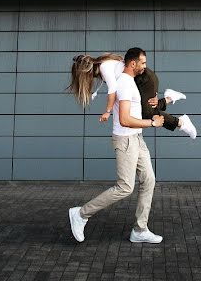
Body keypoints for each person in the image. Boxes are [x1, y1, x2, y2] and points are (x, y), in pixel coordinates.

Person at [68, 48, 163, 243]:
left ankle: (140, 230)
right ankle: (81, 214)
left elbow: (140, 99)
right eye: (143, 63)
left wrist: (156, 99)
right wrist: (152, 123)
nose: (146, 67)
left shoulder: (125, 78)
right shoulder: (123, 83)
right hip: (126, 139)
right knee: (125, 187)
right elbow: (126, 119)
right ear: (133, 64)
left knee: (149, 180)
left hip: (136, 138)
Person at [68, 53, 197, 138]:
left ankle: (182, 122)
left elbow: (112, 90)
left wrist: (107, 111)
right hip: (143, 80)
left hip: (145, 80)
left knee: (147, 114)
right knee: (149, 109)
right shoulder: (104, 66)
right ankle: (170, 97)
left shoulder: (103, 67)